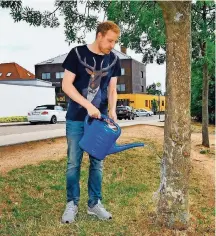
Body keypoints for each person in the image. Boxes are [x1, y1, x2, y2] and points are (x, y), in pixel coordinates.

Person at [61, 21, 121, 223]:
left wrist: (112, 110)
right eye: (110, 40)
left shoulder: (114, 60)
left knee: (97, 164)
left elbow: (112, 90)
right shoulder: (77, 53)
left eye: (115, 41)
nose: (113, 45)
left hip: (101, 123)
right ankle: (72, 203)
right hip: (76, 119)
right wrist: (88, 105)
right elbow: (66, 85)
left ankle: (94, 204)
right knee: (73, 163)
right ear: (99, 35)